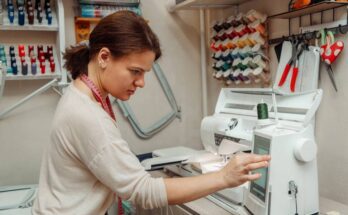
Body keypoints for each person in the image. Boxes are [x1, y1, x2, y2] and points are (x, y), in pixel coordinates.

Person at [32, 11, 270, 214]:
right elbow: (143, 191)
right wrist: (224, 177)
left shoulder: (80, 93)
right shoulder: (87, 115)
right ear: (104, 57)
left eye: (144, 72)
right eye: (135, 71)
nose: (141, 82)